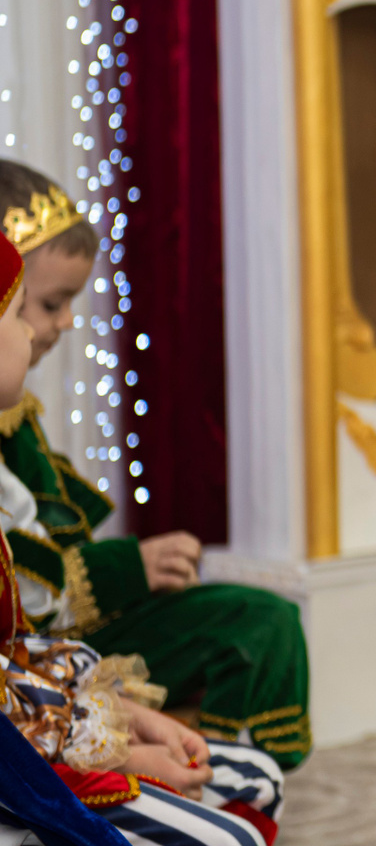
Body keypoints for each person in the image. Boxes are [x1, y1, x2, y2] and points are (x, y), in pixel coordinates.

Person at [0, 163, 311, 770]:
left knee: (263, 620)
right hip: (33, 666)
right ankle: (217, 780)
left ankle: (228, 775)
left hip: (53, 651)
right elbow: (25, 587)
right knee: (256, 623)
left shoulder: (18, 413)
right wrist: (129, 569)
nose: (65, 322)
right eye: (48, 304)